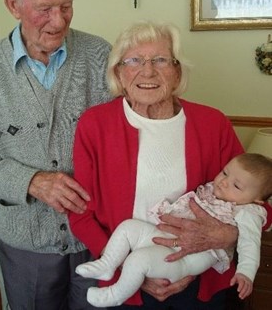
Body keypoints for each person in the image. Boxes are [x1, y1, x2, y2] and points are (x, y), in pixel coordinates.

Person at [0, 0, 112, 310]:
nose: (59, 20)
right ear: (13, 5)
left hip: (98, 238)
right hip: (26, 245)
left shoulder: (101, 57)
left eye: (66, 5)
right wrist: (30, 182)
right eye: (44, 9)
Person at [68, 21, 255, 310]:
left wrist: (225, 235)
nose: (147, 71)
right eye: (133, 61)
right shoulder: (95, 125)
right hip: (126, 282)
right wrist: (132, 270)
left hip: (201, 277)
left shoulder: (212, 123)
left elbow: (256, 198)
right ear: (118, 71)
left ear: (177, 71)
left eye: (160, 60)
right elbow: (81, 212)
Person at [75, 153, 272, 307]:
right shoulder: (218, 190)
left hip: (187, 258)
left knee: (139, 260)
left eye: (236, 185)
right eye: (225, 172)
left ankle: (115, 294)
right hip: (167, 234)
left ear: (256, 200)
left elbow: (250, 243)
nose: (223, 181)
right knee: (128, 228)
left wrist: (245, 272)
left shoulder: (249, 212)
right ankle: (108, 264)